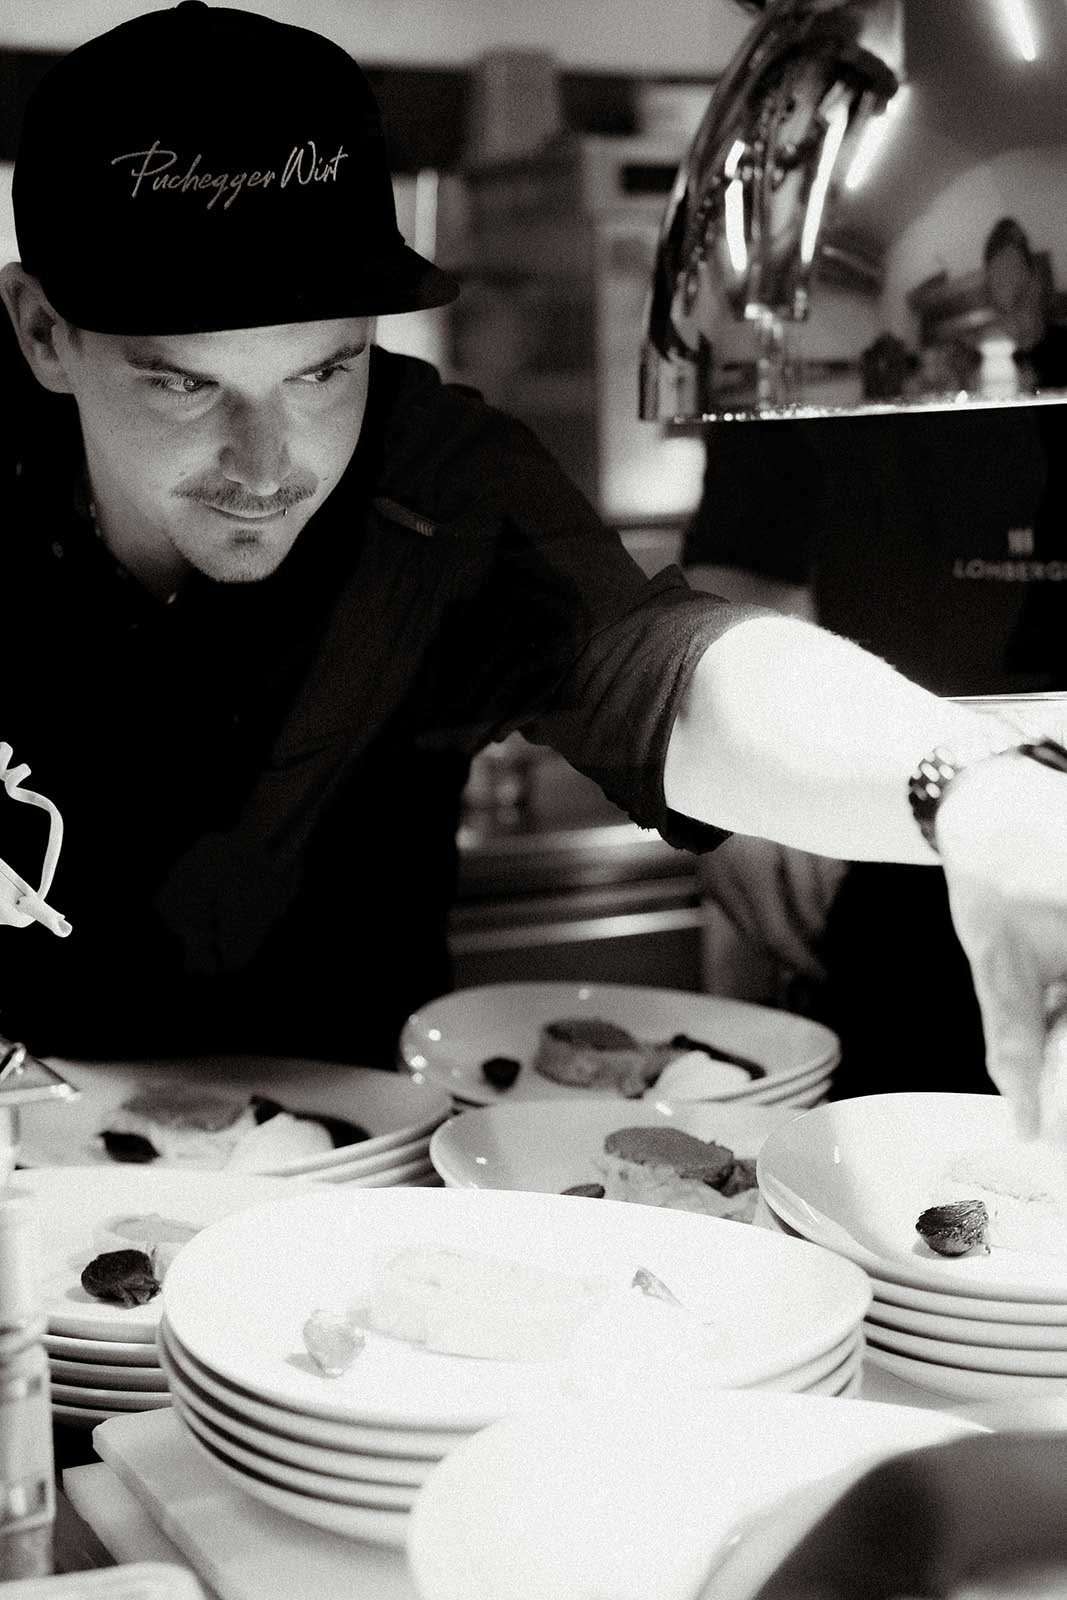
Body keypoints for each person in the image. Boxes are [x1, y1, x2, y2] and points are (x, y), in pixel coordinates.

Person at [5, 5, 1067, 1138]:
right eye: (184, 385)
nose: (268, 467)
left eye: (323, 373)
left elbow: (669, 673)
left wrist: (973, 787)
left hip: (350, 1170)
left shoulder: (433, 483)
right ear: (42, 331)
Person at [685, 229, 1067, 1105]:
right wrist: (733, 792)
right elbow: (742, 556)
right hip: (896, 834)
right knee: (904, 1162)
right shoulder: (842, 313)